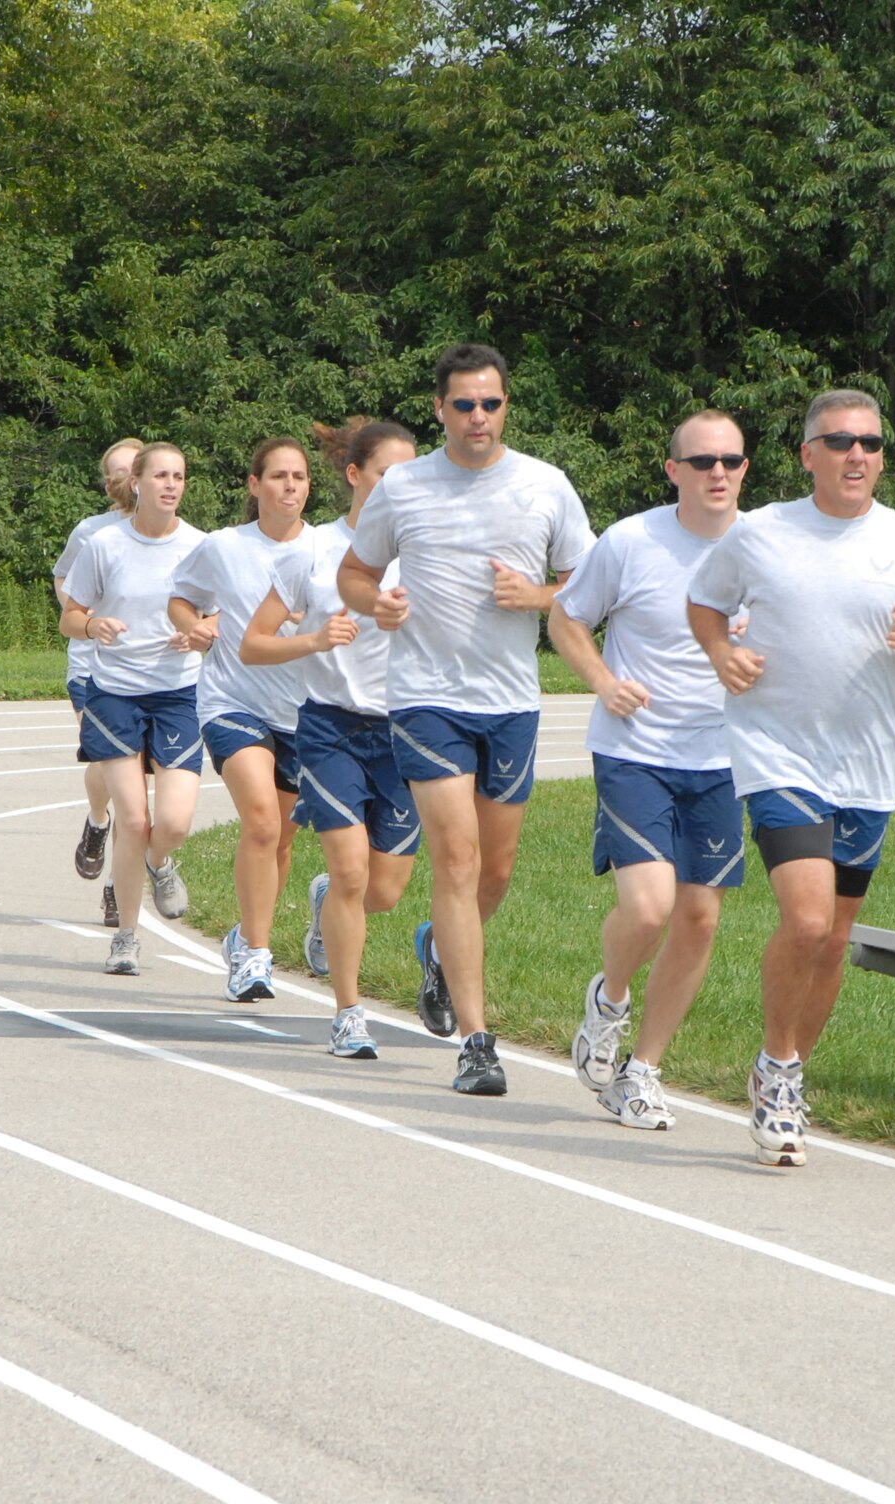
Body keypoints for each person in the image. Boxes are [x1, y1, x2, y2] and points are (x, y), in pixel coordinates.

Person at [687, 389, 895, 1167]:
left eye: (870, 444)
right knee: (806, 923)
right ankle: (778, 1069)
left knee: (835, 940)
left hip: (867, 770)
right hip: (779, 755)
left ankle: (790, 1070)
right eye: (839, 442)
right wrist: (720, 655)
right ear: (807, 454)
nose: (857, 456)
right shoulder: (762, 533)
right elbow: (704, 605)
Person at [337, 344, 595, 1095]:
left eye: (491, 403)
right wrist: (375, 602)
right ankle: (479, 1044)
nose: (478, 417)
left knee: (496, 869)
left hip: (510, 700)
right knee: (455, 861)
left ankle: (439, 951)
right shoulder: (405, 487)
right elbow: (354, 573)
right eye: (463, 405)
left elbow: (590, 581)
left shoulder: (545, 485)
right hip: (424, 695)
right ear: (439, 409)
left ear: (506, 406)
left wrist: (540, 598)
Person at [548, 411, 751, 1129]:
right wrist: (604, 681)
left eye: (730, 460)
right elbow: (566, 619)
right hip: (635, 748)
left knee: (698, 918)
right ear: (674, 472)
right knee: (649, 905)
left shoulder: (764, 549)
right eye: (701, 462)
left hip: (723, 757)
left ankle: (643, 1071)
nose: (717, 473)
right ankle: (609, 1001)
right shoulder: (631, 541)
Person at [241, 419, 421, 1060]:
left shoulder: (425, 554)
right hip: (330, 727)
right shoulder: (310, 553)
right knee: (350, 874)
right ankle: (348, 1013)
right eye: (385, 476)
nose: (399, 489)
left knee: (384, 892)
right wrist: (315, 639)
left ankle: (321, 904)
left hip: (404, 733)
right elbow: (253, 644)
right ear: (353, 475)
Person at [169, 438, 319, 1002]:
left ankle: (243, 934)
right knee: (260, 822)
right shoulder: (224, 546)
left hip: (304, 711)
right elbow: (181, 597)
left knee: (281, 839)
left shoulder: (326, 550)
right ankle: (255, 957)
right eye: (278, 476)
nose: (290, 487)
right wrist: (197, 626)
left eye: (299, 477)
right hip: (233, 702)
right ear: (254, 485)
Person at [59, 442, 205, 976]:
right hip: (113, 691)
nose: (171, 484)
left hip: (179, 693)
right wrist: (93, 625)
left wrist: (199, 636)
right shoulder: (104, 543)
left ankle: (159, 862)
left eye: (179, 476)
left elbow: (218, 620)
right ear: (137, 483)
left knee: (172, 822)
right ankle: (126, 936)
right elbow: (69, 618)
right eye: (161, 475)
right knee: (135, 817)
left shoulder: (201, 547)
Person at [56, 437, 143, 927]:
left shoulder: (177, 534)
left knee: (140, 788)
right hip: (94, 666)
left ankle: (116, 884)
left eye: (134, 467)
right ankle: (97, 821)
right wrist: (87, 620)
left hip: (155, 675)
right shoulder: (92, 532)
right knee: (114, 771)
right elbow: (63, 582)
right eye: (117, 471)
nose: (127, 478)